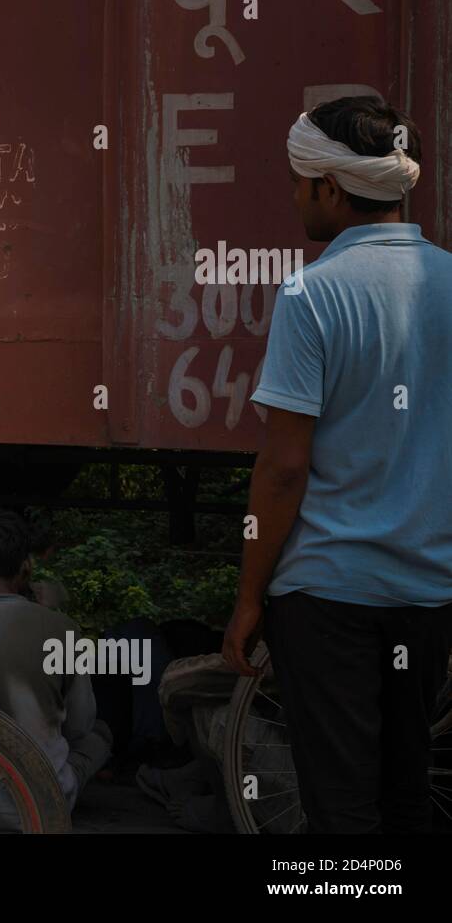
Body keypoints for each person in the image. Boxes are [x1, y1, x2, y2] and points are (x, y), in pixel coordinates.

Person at [223, 96, 452, 832]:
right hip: (427, 595)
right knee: (406, 794)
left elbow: (284, 469)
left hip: (328, 598)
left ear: (328, 187)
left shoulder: (312, 293)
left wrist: (250, 597)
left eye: (298, 183)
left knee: (341, 808)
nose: (294, 198)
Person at [0, 509, 110, 810]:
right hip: (38, 804)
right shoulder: (61, 628)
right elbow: (80, 724)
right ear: (25, 567)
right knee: (100, 734)